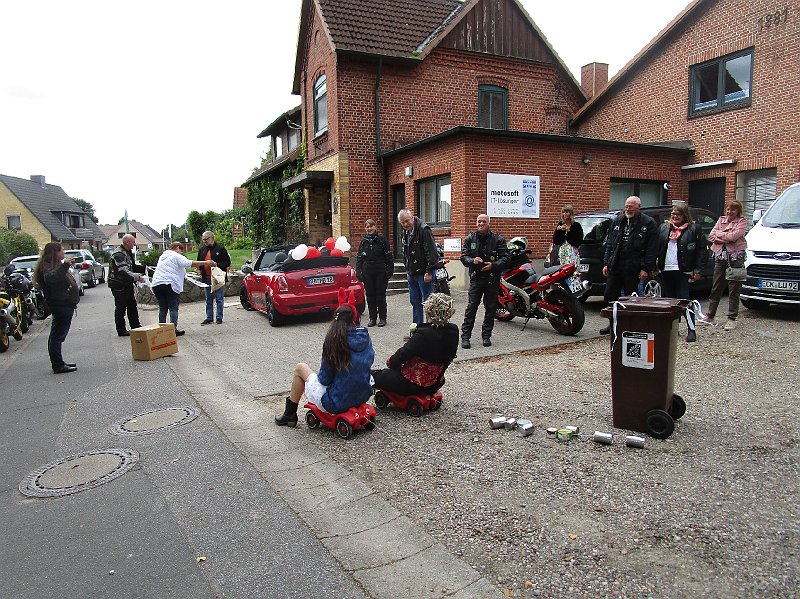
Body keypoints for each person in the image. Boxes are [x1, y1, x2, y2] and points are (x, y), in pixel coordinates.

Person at [274, 303, 375, 427]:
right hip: (362, 395)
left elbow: (324, 380)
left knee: (300, 368)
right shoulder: (365, 337)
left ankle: (289, 415)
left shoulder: (333, 341)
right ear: (356, 318)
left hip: (336, 401)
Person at [372, 293, 459, 396]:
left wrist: (391, 362)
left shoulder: (423, 334)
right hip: (435, 383)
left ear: (429, 311)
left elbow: (401, 356)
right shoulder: (453, 330)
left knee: (376, 375)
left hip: (414, 385)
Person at [600, 196, 659, 334]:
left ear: (638, 207)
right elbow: (610, 244)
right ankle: (612, 324)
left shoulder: (648, 223)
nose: (628, 209)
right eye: (626, 206)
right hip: (616, 265)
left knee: (629, 297)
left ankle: (628, 325)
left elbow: (652, 249)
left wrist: (646, 268)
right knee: (609, 295)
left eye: (631, 206)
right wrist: (606, 263)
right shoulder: (618, 221)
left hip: (634, 267)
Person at [656, 204, 707, 342]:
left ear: (685, 215)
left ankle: (691, 329)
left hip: (683, 270)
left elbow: (702, 251)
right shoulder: (663, 228)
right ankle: (672, 329)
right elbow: (657, 248)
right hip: (666, 269)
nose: (675, 216)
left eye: (678, 214)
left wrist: (698, 270)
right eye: (673, 213)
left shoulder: (694, 229)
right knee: (670, 301)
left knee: (684, 300)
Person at [460, 214, 509, 348]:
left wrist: (494, 265)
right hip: (476, 279)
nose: (481, 224)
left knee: (491, 309)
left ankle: (486, 336)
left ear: (489, 224)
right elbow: (464, 257)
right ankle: (465, 337)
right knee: (471, 308)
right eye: (479, 221)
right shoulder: (470, 238)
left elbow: (505, 258)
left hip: (492, 280)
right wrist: (472, 261)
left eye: (484, 222)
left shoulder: (498, 239)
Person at [150, 242, 215, 336]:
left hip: (156, 284)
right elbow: (189, 263)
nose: (181, 252)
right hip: (170, 284)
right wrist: (206, 262)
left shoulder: (163, 257)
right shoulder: (175, 255)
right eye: (181, 250)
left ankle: (162, 330)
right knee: (173, 308)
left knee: (163, 308)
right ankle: (173, 329)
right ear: (177, 248)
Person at [34, 243, 80, 373]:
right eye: (62, 250)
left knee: (58, 335)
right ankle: (58, 365)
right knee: (57, 336)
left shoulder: (52, 264)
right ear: (55, 252)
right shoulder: (47, 265)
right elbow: (51, 279)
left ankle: (59, 362)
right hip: (60, 304)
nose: (64, 252)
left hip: (64, 304)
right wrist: (65, 265)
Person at [705, 200, 748, 330]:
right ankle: (710, 315)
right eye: (728, 209)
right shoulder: (721, 219)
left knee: (733, 289)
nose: (730, 212)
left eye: (733, 210)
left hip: (735, 259)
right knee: (716, 287)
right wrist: (725, 237)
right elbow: (711, 236)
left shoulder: (742, 221)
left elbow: (734, 236)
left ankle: (731, 318)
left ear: (738, 211)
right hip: (720, 257)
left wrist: (721, 236)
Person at [398, 209, 438, 327]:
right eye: (403, 223)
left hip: (424, 273)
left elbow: (432, 252)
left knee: (428, 303)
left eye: (407, 221)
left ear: (412, 218)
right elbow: (405, 252)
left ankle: (430, 330)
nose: (405, 224)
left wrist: (430, 271)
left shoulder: (423, 230)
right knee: (415, 302)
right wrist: (407, 267)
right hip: (412, 273)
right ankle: (417, 330)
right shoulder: (405, 232)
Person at [356, 219, 394, 327]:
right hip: (368, 272)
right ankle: (372, 318)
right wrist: (359, 272)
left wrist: (389, 271)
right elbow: (359, 259)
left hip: (380, 272)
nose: (369, 229)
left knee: (380, 296)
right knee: (370, 296)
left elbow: (388, 257)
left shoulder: (382, 240)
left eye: (371, 226)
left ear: (375, 227)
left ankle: (382, 318)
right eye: (367, 227)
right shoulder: (363, 242)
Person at [108, 233, 147, 336]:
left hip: (127, 283)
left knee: (132, 305)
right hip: (118, 285)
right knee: (121, 307)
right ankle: (121, 330)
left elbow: (132, 267)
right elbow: (123, 271)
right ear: (127, 242)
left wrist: (146, 269)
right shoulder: (119, 254)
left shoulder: (127, 252)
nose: (134, 244)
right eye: (133, 242)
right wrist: (138, 277)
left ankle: (135, 326)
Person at [197, 231, 231, 325]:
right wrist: (199, 269)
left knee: (219, 298)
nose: (205, 242)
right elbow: (199, 262)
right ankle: (209, 317)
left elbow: (227, 262)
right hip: (206, 278)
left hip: (218, 277)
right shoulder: (202, 250)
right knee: (208, 299)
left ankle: (219, 317)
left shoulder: (220, 249)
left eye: (206, 239)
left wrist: (217, 264)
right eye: (203, 240)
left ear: (212, 238)